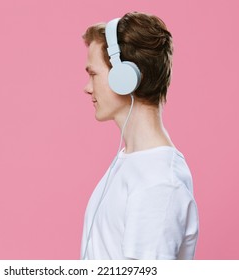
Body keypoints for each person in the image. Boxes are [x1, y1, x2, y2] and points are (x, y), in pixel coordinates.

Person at [80, 12, 199, 260]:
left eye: (93, 74)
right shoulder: (133, 162)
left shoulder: (158, 181)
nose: (87, 87)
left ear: (124, 78)